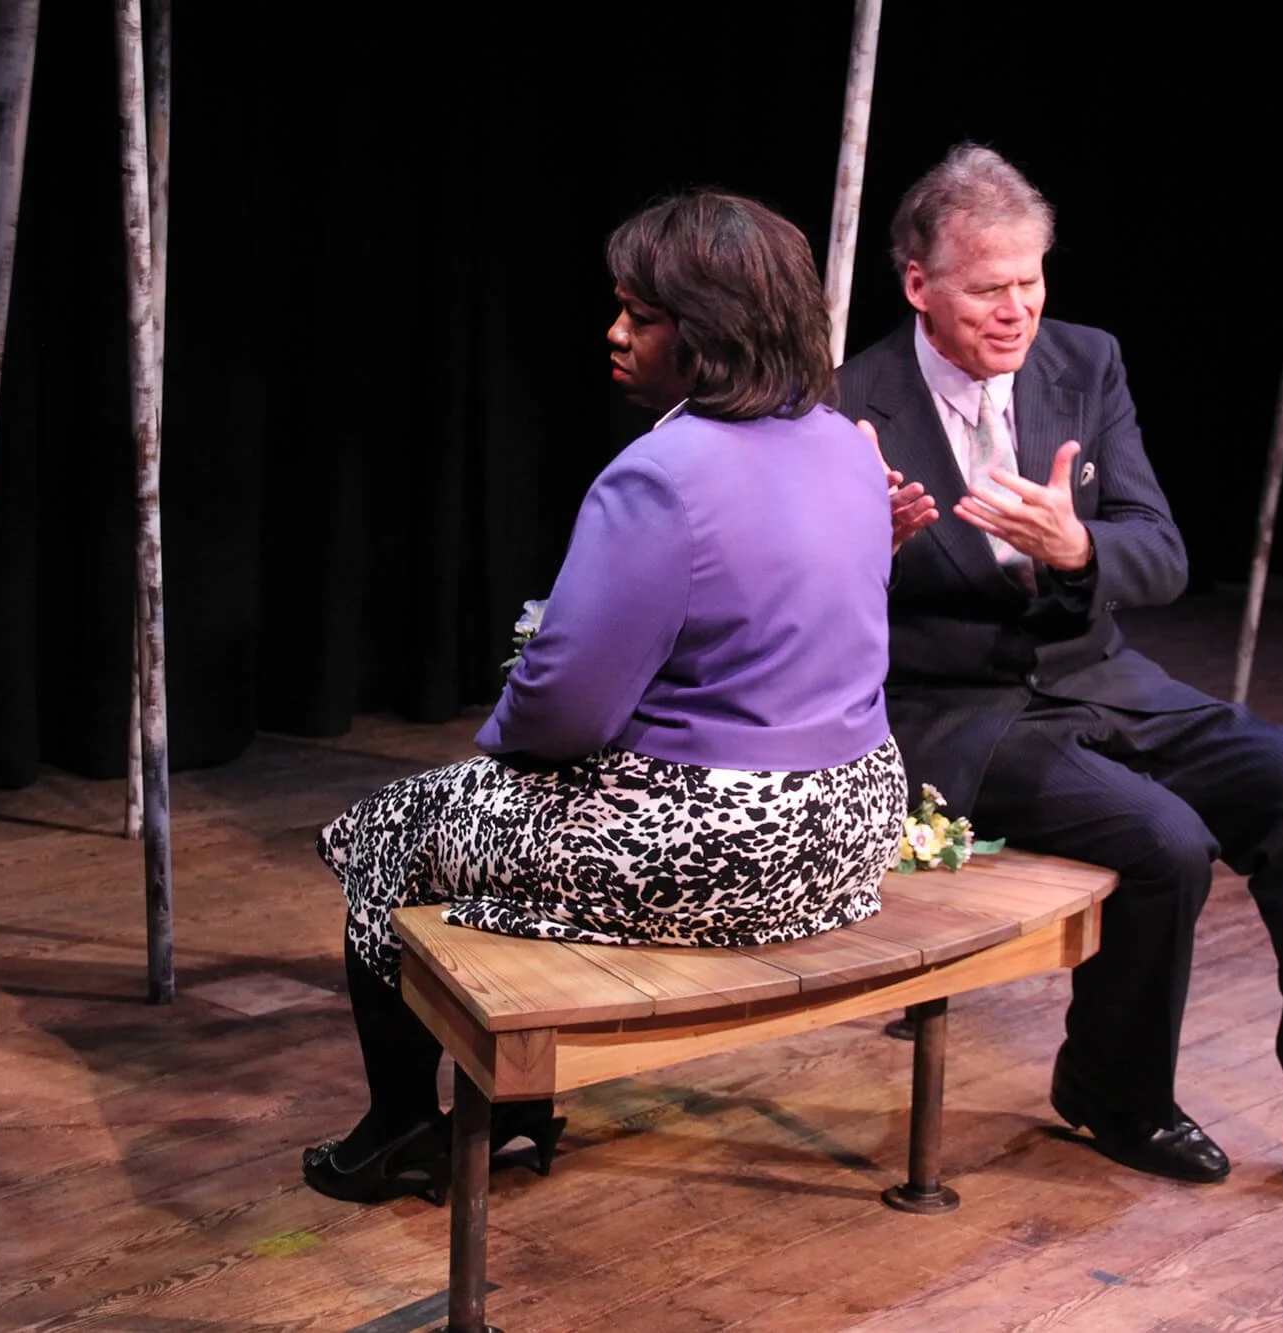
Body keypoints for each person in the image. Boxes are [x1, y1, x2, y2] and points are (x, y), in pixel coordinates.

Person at [836, 144, 1283, 1229]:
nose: (1017, 309)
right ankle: (1115, 1090)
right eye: (988, 288)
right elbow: (802, 604)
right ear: (918, 285)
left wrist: (1077, 546)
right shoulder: (850, 400)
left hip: (1097, 678)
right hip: (954, 712)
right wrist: (865, 544)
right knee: (1165, 839)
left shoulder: (1084, 362)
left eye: (1031, 280)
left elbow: (1162, 550)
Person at [303, 190, 907, 1205]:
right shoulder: (849, 443)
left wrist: (512, 743)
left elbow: (565, 713)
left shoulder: (663, 474)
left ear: (713, 331)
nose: (615, 333)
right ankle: (520, 1103)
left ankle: (401, 1126)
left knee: (391, 829)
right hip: (850, 829)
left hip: (726, 846)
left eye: (643, 315)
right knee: (484, 829)